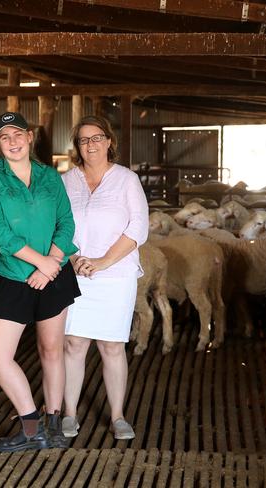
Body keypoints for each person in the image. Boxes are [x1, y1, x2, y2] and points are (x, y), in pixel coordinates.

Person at [0, 112, 80, 452]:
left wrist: (53, 263)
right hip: (15, 274)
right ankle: (32, 426)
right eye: (4, 136)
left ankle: (53, 428)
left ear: (30, 136)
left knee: (51, 350)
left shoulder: (50, 176)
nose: (12, 141)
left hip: (54, 273)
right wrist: (43, 263)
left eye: (17, 134)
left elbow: (66, 223)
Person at [61, 115, 148, 440]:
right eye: (84, 140)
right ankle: (69, 414)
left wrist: (102, 261)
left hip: (116, 275)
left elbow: (138, 228)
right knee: (74, 344)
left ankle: (117, 416)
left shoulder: (126, 180)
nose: (91, 145)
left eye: (96, 138)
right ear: (77, 147)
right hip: (76, 271)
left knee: (112, 346)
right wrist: (74, 258)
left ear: (109, 141)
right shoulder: (67, 180)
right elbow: (59, 224)